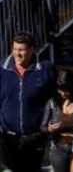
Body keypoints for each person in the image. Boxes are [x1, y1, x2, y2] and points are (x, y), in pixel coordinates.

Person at [0, 31, 55, 172]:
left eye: (22, 50)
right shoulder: (2, 69)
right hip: (7, 137)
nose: (17, 54)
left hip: (35, 136)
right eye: (15, 49)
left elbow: (56, 98)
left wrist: (50, 124)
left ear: (31, 50)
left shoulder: (45, 69)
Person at [42, 69, 73, 172]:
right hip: (59, 149)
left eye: (66, 89)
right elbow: (42, 127)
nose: (63, 93)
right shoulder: (53, 103)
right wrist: (49, 129)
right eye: (60, 90)